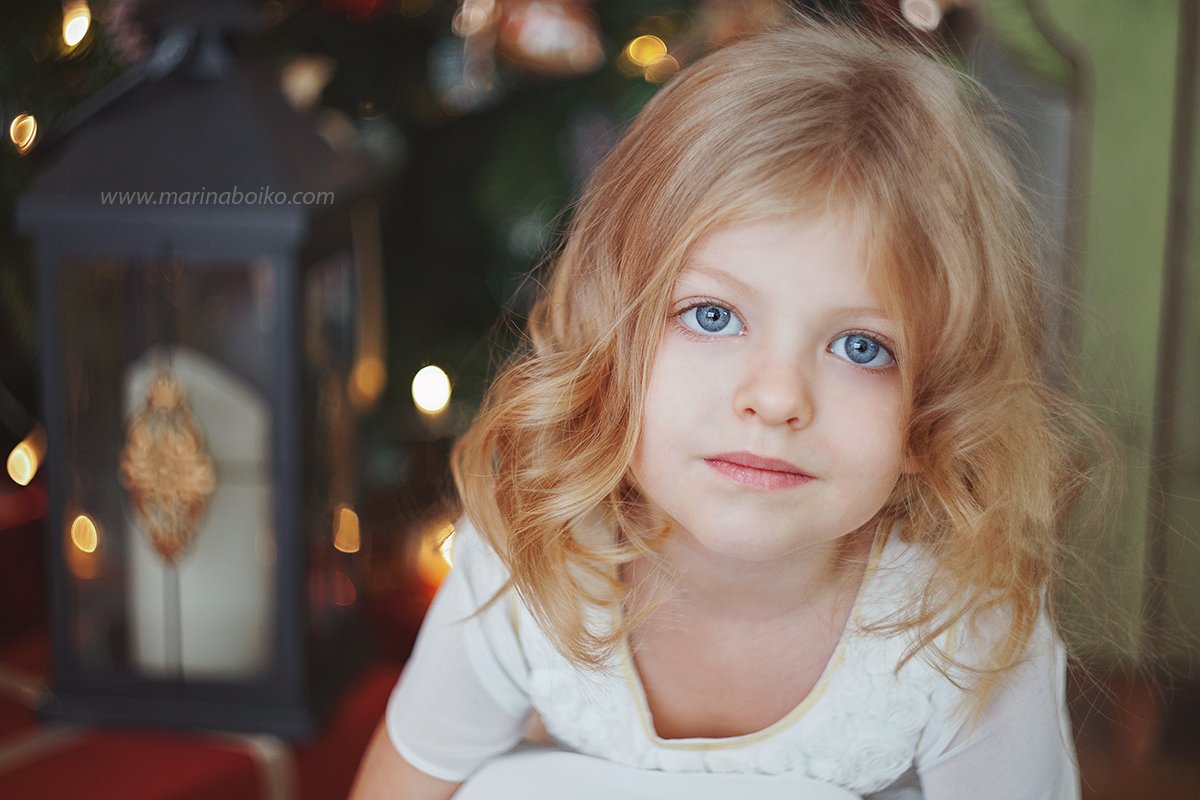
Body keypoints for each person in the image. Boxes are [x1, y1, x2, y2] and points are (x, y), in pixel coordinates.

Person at [350, 18, 1109, 800]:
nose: (776, 398)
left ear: (933, 412)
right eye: (713, 316)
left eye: (860, 347)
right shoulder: (532, 560)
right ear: (616, 345)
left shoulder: (960, 632)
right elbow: (404, 785)